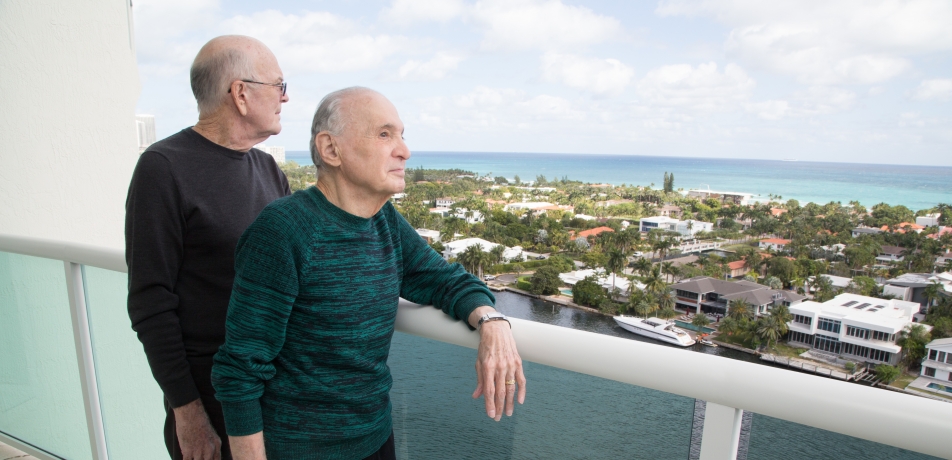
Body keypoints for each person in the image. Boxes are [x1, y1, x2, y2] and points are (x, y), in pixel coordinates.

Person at [211, 87, 527, 460]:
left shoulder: (383, 221)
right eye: (383, 134)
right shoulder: (283, 231)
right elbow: (240, 370)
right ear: (330, 149)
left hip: (375, 438)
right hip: (301, 450)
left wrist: (492, 322)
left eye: (401, 135)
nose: (404, 151)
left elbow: (443, 280)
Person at [125, 35, 291, 460]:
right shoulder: (163, 168)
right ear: (240, 94)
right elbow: (150, 302)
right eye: (279, 85)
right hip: (210, 396)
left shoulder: (267, 168)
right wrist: (188, 412)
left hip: (274, 390)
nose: (285, 97)